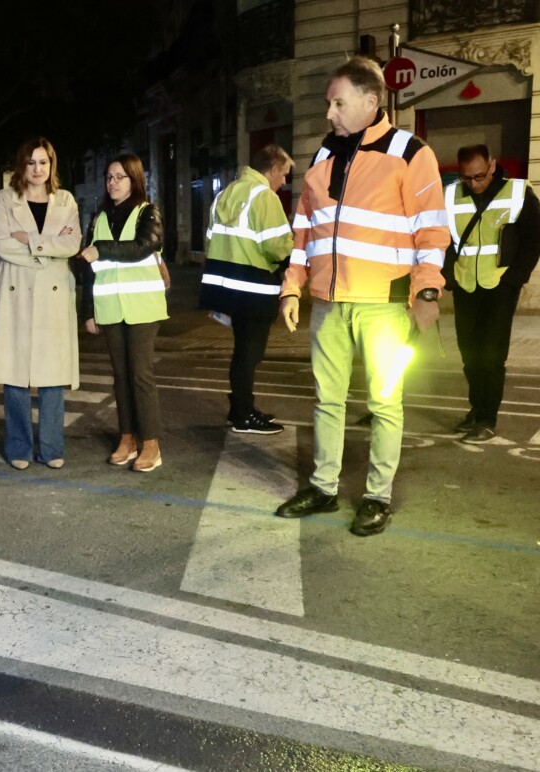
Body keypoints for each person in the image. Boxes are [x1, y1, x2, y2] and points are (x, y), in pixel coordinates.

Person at [275, 56, 449, 537]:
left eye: (338, 103)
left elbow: (431, 231)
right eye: (329, 104)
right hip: (329, 303)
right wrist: (292, 287)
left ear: (371, 102)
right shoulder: (323, 157)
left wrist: (427, 291)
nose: (329, 113)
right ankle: (324, 487)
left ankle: (377, 496)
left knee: (385, 401)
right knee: (327, 400)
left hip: (384, 305)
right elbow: (304, 230)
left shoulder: (411, 153)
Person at [0, 137, 82, 470]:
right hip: (15, 294)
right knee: (15, 374)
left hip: (54, 297)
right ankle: (19, 447)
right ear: (21, 165)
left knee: (53, 376)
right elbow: (1, 245)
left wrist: (30, 241)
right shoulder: (3, 199)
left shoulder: (66, 199)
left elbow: (72, 243)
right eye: (31, 162)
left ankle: (52, 447)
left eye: (44, 162)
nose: (38, 169)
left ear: (51, 165)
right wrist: (48, 249)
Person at [443, 144, 540, 444]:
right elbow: (442, 238)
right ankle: (477, 408)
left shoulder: (518, 192)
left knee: (491, 356)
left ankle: (487, 418)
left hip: (500, 287)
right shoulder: (450, 195)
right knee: (469, 355)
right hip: (465, 285)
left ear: (493, 165)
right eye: (466, 178)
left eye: (480, 176)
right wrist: (447, 277)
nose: (473, 184)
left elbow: (534, 238)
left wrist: (515, 279)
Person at [79, 154, 169, 473]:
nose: (112, 182)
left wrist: (102, 248)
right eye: (109, 177)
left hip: (143, 308)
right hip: (110, 308)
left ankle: (151, 445)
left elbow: (144, 246)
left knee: (141, 375)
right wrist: (87, 311)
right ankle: (127, 439)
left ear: (134, 179)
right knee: (120, 377)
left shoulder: (149, 212)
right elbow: (88, 270)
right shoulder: (99, 217)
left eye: (119, 177)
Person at [200, 144, 295, 435]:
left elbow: (209, 241)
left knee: (243, 352)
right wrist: (296, 258)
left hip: (226, 288)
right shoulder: (264, 197)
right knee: (249, 355)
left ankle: (240, 408)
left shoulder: (224, 194)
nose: (285, 181)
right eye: (285, 174)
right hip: (254, 289)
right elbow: (277, 247)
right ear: (274, 168)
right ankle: (242, 414)